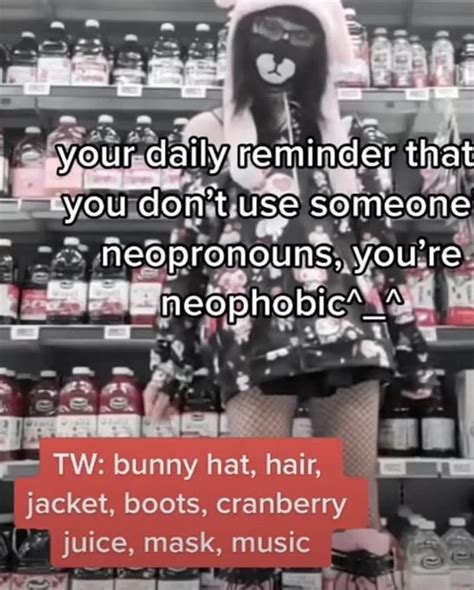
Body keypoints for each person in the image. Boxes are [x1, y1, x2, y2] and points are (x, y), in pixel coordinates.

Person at [145, 0, 435, 587]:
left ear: (321, 50)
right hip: (251, 334)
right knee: (257, 523)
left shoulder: (353, 136)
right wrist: (169, 364)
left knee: (355, 522)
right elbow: (188, 252)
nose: (281, 45)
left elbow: (380, 247)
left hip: (347, 332)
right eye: (268, 29)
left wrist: (411, 351)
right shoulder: (209, 132)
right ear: (241, 40)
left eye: (299, 34)